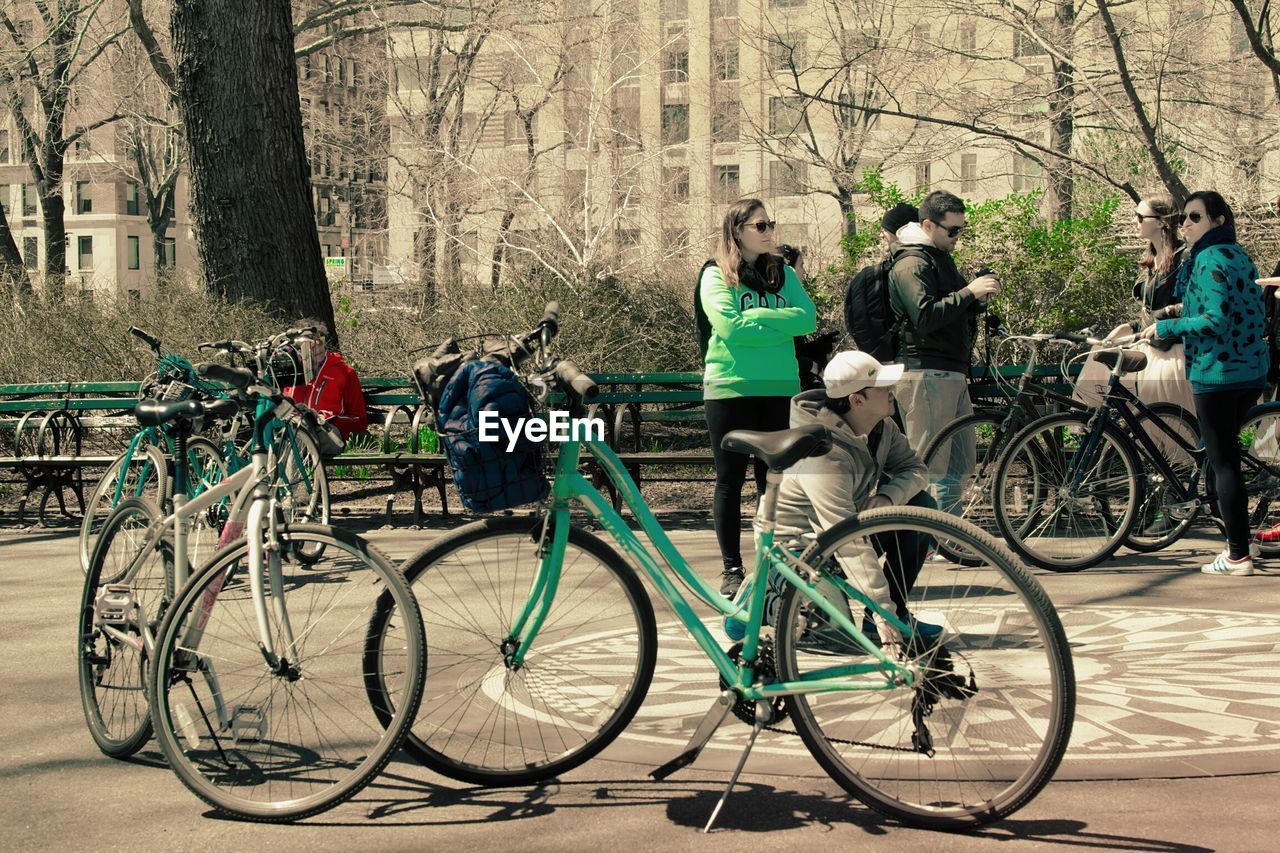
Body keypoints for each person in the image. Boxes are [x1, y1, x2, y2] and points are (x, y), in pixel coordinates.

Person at [1141, 191, 1269, 576]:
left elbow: (1214, 320)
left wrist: (1165, 326)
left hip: (1218, 372)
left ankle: (1237, 555)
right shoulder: (1237, 254)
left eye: (1195, 218)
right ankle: (1240, 540)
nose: (1186, 225)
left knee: (1224, 462)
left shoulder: (1208, 258)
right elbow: (1233, 304)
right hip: (1251, 370)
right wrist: (1178, 310)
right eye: (1184, 219)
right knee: (1222, 456)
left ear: (1218, 220)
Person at [771, 350, 938, 639]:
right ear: (856, 400)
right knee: (836, 637)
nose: (891, 391)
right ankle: (758, 600)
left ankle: (890, 616)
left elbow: (915, 469)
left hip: (836, 538)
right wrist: (881, 606)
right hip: (799, 552)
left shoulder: (882, 427)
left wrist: (888, 497)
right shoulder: (821, 452)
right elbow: (845, 539)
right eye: (883, 387)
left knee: (920, 506)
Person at [700, 198, 817, 597]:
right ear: (737, 231)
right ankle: (732, 569)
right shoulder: (715, 274)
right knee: (729, 482)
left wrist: (758, 317)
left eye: (771, 224)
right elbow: (730, 329)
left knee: (774, 482)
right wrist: (776, 320)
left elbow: (808, 319)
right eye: (760, 226)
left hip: (780, 388)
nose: (769, 232)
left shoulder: (784, 273)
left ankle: (777, 564)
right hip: (730, 389)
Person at [888, 189, 999, 512]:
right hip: (926, 373)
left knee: (959, 465)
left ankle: (946, 536)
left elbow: (947, 311)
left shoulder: (938, 259)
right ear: (928, 225)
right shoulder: (912, 262)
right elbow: (924, 316)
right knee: (927, 466)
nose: (957, 237)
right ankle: (918, 537)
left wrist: (975, 302)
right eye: (952, 230)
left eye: (961, 229)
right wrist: (968, 293)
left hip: (949, 372)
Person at [282, 318, 369, 447]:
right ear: (299, 349)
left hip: (330, 433)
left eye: (320, 342)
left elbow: (360, 421)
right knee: (283, 438)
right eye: (310, 345)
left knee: (298, 439)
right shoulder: (291, 372)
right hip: (293, 430)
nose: (317, 348)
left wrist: (326, 419)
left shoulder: (344, 372)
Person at [1134, 194, 1185, 325]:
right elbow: (1150, 317)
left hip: (1176, 342)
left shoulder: (1184, 258)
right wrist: (1129, 328)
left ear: (1160, 222)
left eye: (1140, 217)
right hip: (1151, 341)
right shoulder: (1150, 260)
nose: (1134, 221)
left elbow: (1196, 308)